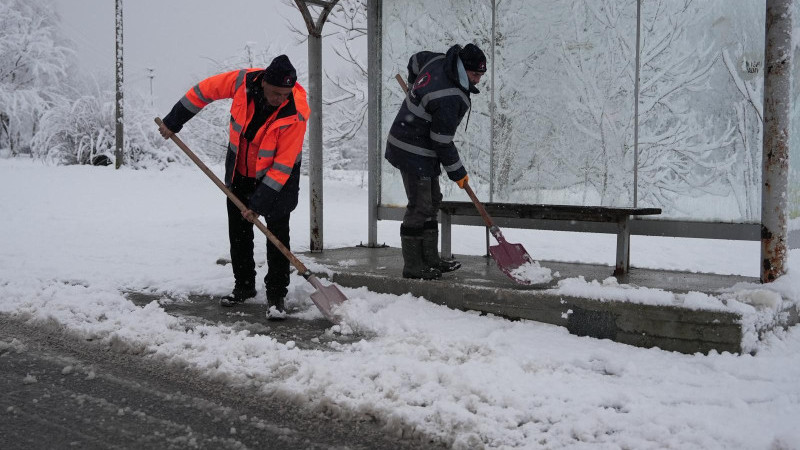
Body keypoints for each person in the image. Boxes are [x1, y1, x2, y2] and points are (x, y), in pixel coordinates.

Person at [158, 55, 309, 319]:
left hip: (278, 181)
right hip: (240, 169)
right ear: (263, 83)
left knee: (277, 236)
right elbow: (203, 91)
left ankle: (276, 295)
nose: (279, 99)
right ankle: (244, 287)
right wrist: (174, 120)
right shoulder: (243, 82)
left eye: (284, 94)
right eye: (275, 93)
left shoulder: (295, 112)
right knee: (238, 232)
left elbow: (282, 166)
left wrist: (258, 205)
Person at [385, 43, 487, 280]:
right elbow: (442, 141)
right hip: (410, 147)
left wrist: (415, 87)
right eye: (474, 75)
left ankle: (430, 259)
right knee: (420, 205)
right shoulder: (450, 97)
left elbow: (415, 60)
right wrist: (458, 172)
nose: (478, 81)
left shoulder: (439, 59)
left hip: (423, 144)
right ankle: (413, 265)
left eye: (481, 75)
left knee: (433, 201)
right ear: (462, 67)